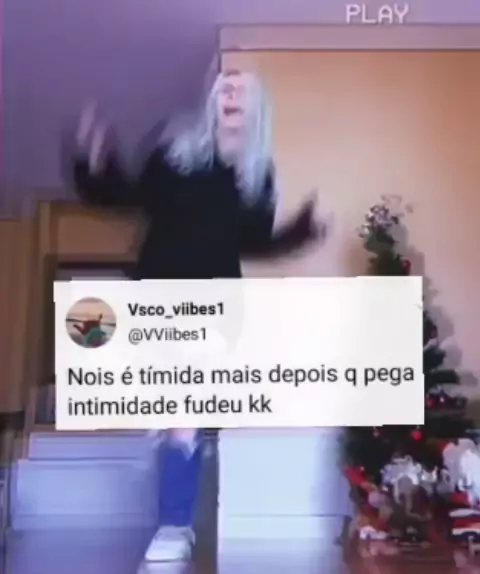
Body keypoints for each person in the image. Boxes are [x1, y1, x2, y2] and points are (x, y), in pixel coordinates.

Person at [69, 70, 330, 563]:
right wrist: (91, 159)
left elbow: (254, 242)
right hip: (155, 295)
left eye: (241, 90)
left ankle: (174, 525)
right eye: (224, 87)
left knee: (180, 413)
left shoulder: (257, 175)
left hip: (213, 305)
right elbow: (124, 196)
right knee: (170, 411)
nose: (230, 94)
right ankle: (186, 443)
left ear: (257, 108)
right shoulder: (175, 154)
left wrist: (301, 231)